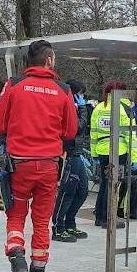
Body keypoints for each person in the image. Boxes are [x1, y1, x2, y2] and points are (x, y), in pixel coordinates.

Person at [0, 39, 78, 272]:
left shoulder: (14, 85)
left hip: (19, 165)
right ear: (49, 60)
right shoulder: (63, 90)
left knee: (16, 216)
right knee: (42, 222)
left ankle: (17, 259)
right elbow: (70, 131)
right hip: (49, 166)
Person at [90, 80, 133, 228]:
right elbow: (130, 134)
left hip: (102, 151)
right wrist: (135, 156)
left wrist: (94, 153)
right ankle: (109, 219)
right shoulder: (124, 108)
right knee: (114, 185)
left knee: (104, 184)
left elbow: (93, 132)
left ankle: (100, 217)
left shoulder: (99, 108)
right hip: (118, 151)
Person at [52, 80, 91, 242]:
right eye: (80, 93)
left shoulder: (76, 106)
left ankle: (70, 222)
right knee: (68, 191)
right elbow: (77, 127)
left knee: (82, 190)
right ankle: (58, 227)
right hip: (68, 153)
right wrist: (82, 109)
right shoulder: (67, 106)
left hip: (77, 152)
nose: (82, 96)